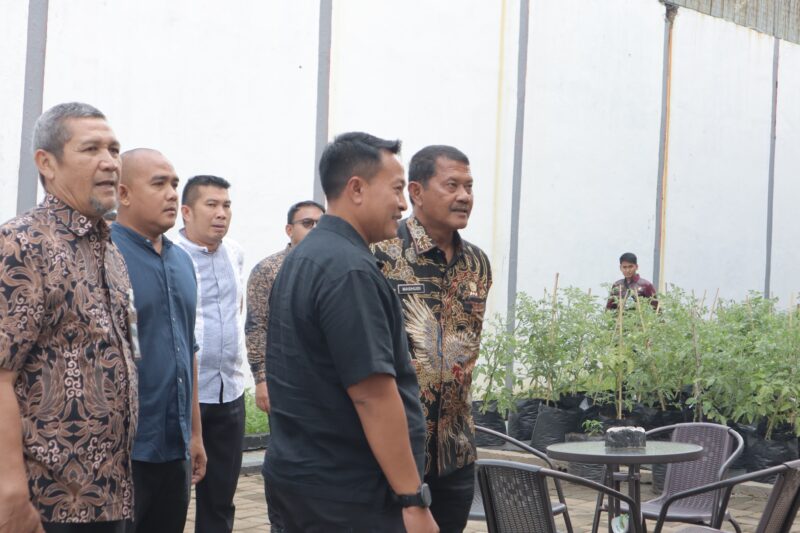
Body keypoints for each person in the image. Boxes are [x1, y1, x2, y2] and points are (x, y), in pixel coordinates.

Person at [263, 132, 438, 533]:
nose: (403, 204)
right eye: (396, 189)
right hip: (346, 495)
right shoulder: (349, 271)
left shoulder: (306, 256)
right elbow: (372, 395)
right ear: (356, 189)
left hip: (302, 480)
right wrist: (413, 500)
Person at [0, 102, 137, 533]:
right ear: (47, 163)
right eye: (91, 149)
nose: (110, 162)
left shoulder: (111, 251)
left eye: (114, 149)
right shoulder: (22, 244)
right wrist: (10, 494)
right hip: (46, 504)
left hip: (109, 493)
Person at [373, 145, 492, 532]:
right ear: (416, 192)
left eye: (469, 186)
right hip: (395, 449)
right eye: (452, 185)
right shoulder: (382, 255)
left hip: (456, 451)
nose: (464, 196)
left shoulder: (477, 263)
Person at [111, 149, 206, 533]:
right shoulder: (105, 256)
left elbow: (188, 348)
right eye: (158, 184)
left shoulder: (182, 262)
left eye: (174, 184)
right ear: (124, 193)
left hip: (175, 448)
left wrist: (195, 434)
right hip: (123, 453)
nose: (171, 194)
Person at [245, 199, 325, 532]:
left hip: (326, 387)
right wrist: (261, 378)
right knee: (288, 460)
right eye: (307, 223)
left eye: (321, 224)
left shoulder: (332, 266)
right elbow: (256, 326)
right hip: (285, 384)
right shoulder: (269, 269)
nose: (315, 230)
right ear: (289, 230)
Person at [176, 175, 246, 533]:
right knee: (172, 499)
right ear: (186, 211)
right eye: (212, 205)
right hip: (185, 395)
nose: (221, 213)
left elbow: (236, 310)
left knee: (220, 500)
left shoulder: (234, 252)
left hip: (229, 391)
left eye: (227, 205)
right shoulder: (171, 255)